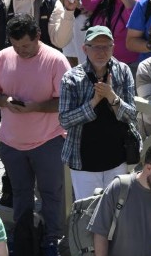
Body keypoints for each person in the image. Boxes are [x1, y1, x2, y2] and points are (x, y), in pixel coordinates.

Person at [0, 13, 71, 256]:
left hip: (48, 141)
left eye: (26, 46)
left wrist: (36, 107)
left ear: (38, 37)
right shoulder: (3, 56)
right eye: (16, 46)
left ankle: (51, 240)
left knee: (51, 194)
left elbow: (66, 101)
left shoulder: (56, 60)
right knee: (20, 194)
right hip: (12, 142)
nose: (21, 51)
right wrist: (4, 101)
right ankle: (22, 240)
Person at [59, 25, 139, 196]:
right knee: (87, 209)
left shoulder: (123, 71)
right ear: (85, 49)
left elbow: (132, 115)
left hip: (118, 158)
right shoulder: (71, 78)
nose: (101, 52)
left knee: (117, 208)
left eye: (106, 47)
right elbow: (65, 120)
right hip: (83, 160)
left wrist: (111, 97)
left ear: (113, 48)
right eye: (96, 47)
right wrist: (94, 102)